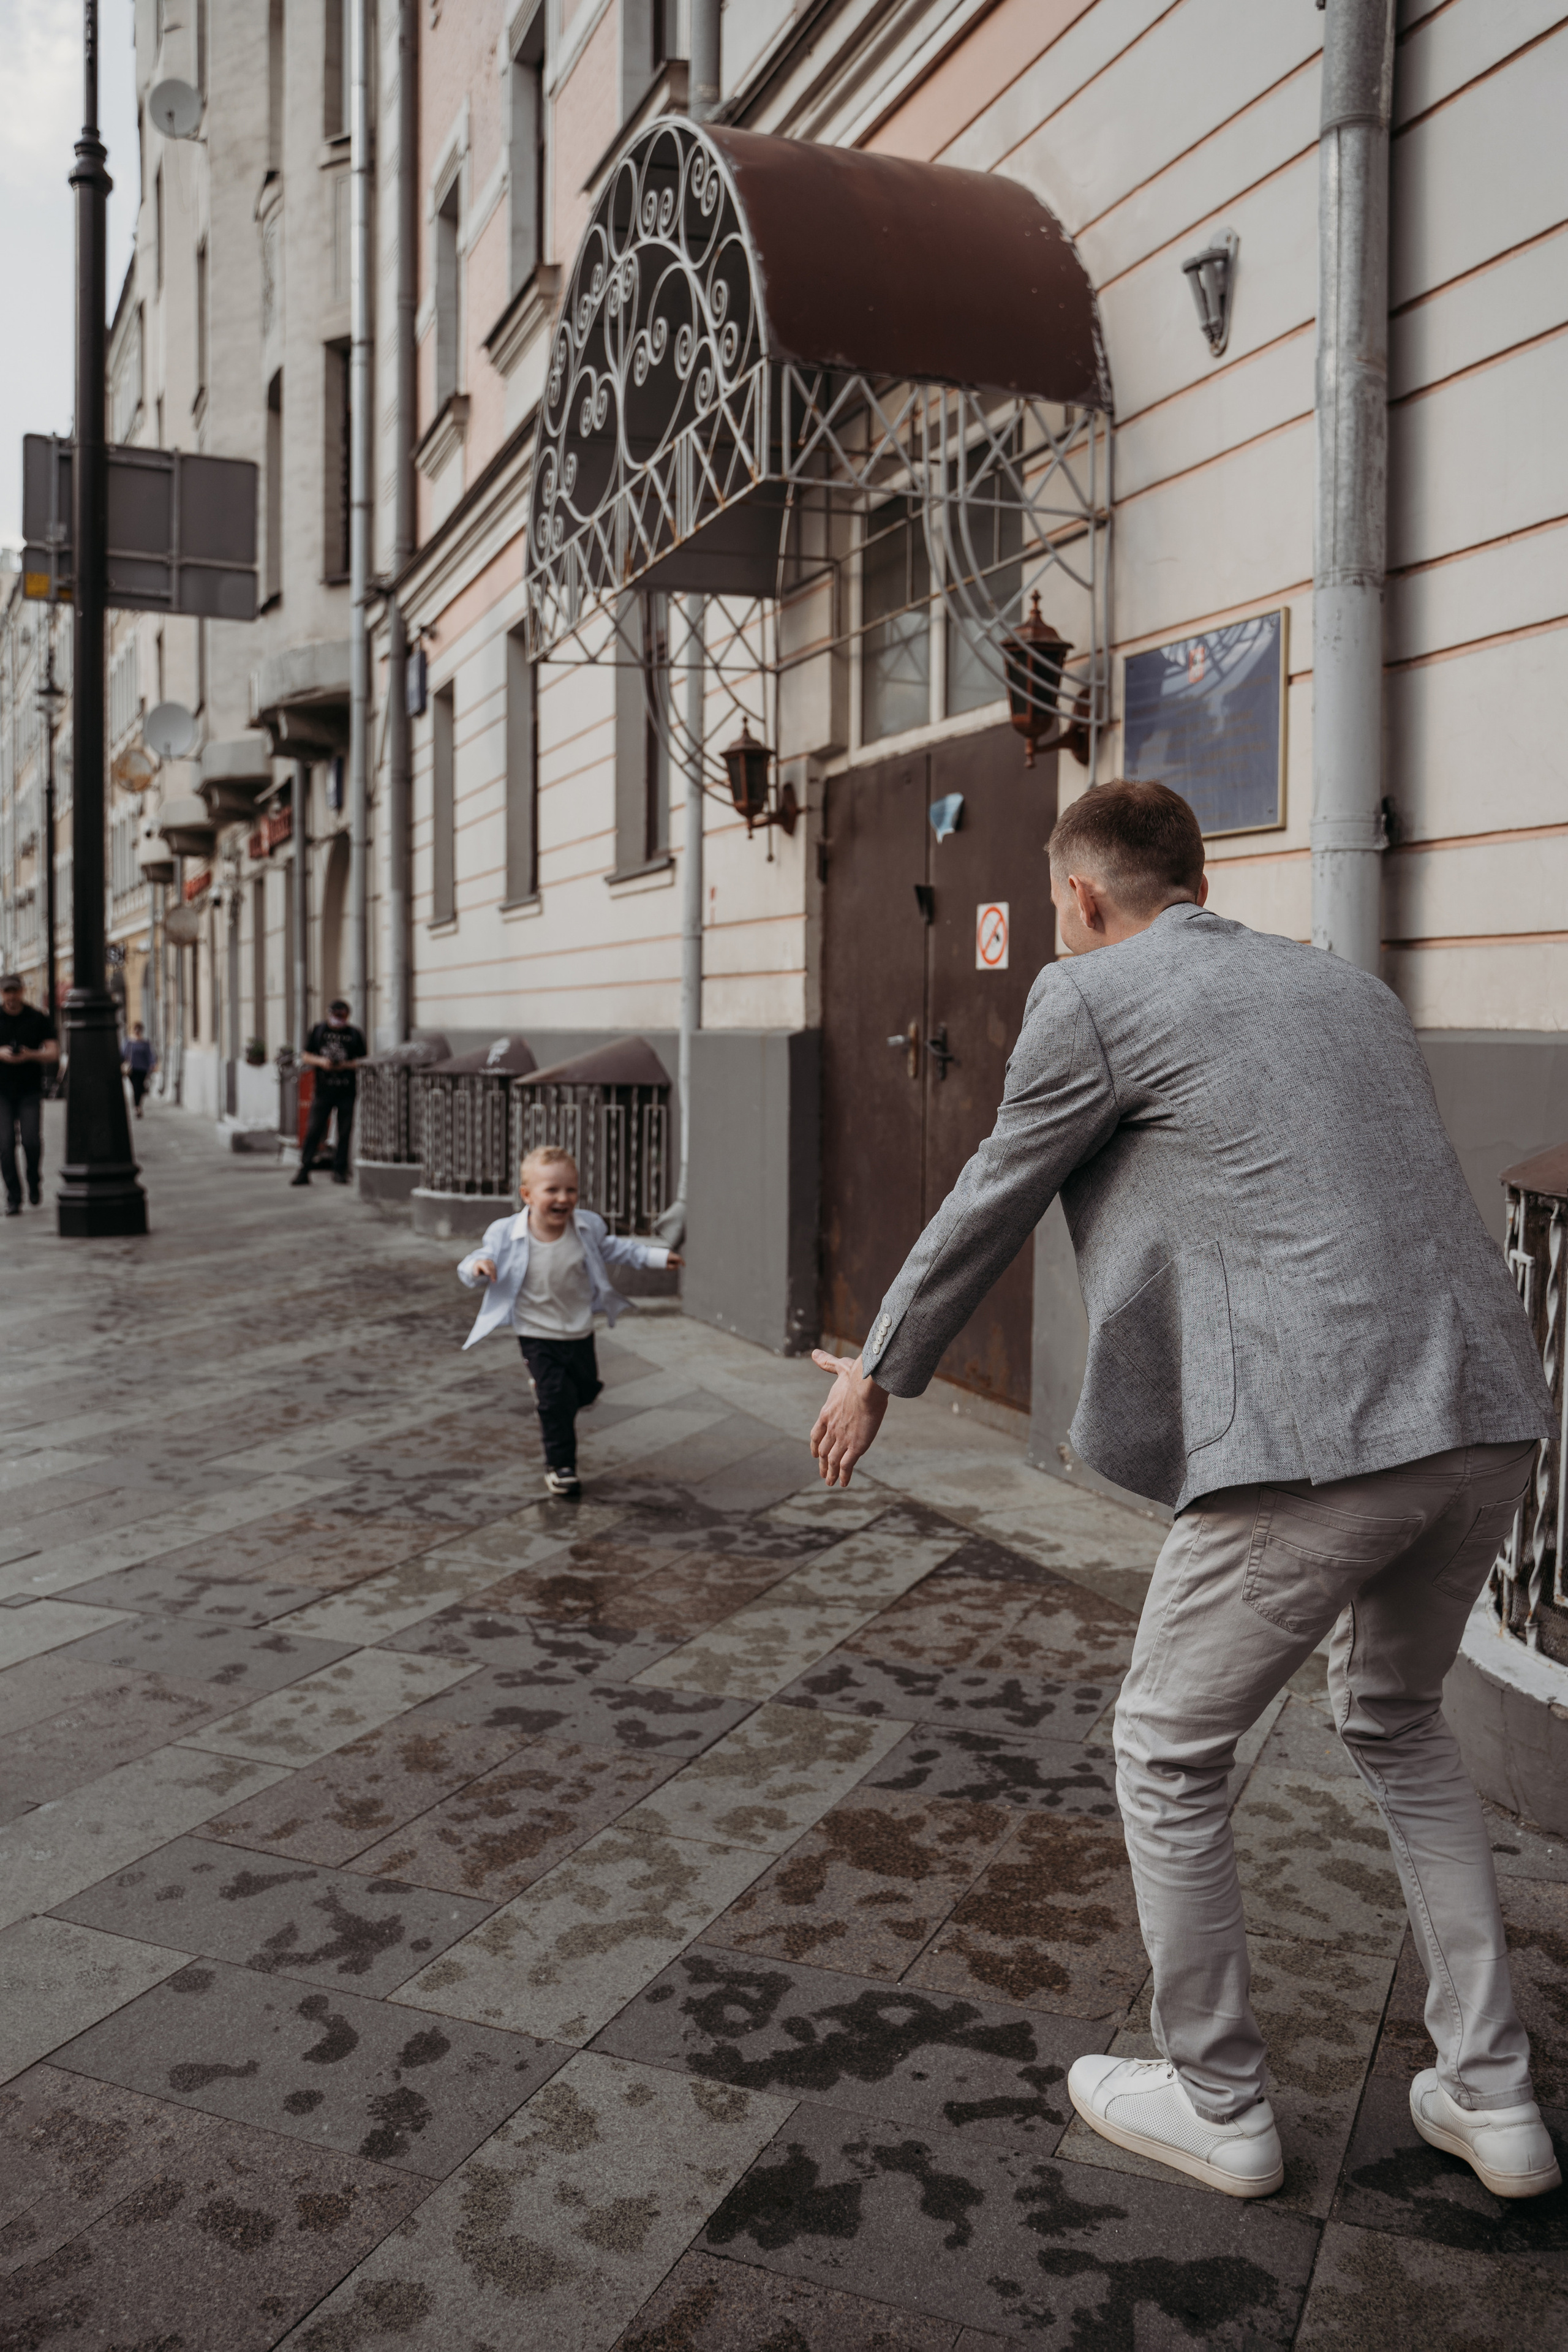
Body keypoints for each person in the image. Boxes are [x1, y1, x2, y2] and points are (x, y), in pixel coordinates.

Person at [810, 778, 1558, 2206]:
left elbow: (994, 1184)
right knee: (1397, 1723)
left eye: (1052, 904)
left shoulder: (1086, 993)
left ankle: (1216, 2099)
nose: (1054, 923)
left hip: (1313, 1426)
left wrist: (879, 1369)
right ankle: (1495, 2094)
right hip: (1477, 1407)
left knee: (1162, 1747)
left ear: (1082, 897)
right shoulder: (1341, 989)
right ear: (1193, 876)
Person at [458, 1144, 682, 1497]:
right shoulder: (506, 1232)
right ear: (527, 1195)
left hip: (578, 1328)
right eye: (553, 1190)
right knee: (557, 1400)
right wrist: (478, 1267)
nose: (564, 1198)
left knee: (586, 1389)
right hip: (534, 1331)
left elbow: (615, 1249)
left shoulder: (587, 1226)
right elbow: (477, 1257)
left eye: (571, 1189)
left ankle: (554, 1397)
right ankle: (560, 1466)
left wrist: (656, 1257)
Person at [0, 974, 59, 1216]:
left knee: (32, 1141)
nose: (11, 996)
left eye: (15, 991)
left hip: (29, 1091)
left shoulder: (37, 1018)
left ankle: (34, 1179)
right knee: (4, 1146)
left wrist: (29, 1055)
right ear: (2, 993)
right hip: (1, 1092)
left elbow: (53, 1053)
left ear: (22, 991)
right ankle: (14, 1197)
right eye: (7, 992)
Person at [292, 998, 367, 1186]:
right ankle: (304, 1169)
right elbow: (305, 1054)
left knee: (344, 1131)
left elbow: (363, 1061)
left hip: (347, 1090)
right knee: (314, 1130)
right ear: (329, 1014)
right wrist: (322, 1062)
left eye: (342, 1017)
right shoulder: (319, 1031)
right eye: (335, 1016)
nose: (338, 1020)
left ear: (347, 1017)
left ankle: (339, 1170)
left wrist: (344, 1065)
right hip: (323, 1090)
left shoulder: (354, 1034)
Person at [121, 1022, 156, 1118]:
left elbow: (150, 1054)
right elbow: (123, 1054)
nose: (137, 1031)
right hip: (132, 1069)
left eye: (139, 1029)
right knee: (136, 1087)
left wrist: (153, 1064)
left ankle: (138, 1106)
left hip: (143, 1069)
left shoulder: (145, 1043)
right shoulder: (128, 1042)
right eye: (135, 1029)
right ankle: (137, 1107)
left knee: (140, 1088)